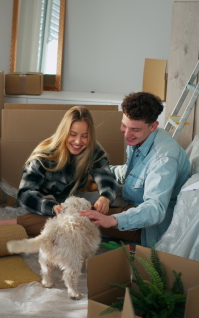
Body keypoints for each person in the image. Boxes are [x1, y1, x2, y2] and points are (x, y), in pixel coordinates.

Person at [0, 106, 118, 237]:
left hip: (72, 199)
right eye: (72, 134)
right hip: (45, 202)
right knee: (53, 225)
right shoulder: (44, 155)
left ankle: (9, 199)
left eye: (84, 136)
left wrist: (105, 197)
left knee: (115, 197)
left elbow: (106, 176)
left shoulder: (93, 149)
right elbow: (27, 195)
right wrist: (53, 209)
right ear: (64, 132)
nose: (78, 141)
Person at [78, 92, 191, 247]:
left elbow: (155, 209)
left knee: (77, 218)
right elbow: (130, 172)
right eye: (124, 125)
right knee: (78, 195)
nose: (127, 134)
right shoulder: (141, 139)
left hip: (148, 223)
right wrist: (94, 170)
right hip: (131, 197)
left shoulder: (164, 159)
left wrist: (112, 220)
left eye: (135, 129)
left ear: (153, 126)